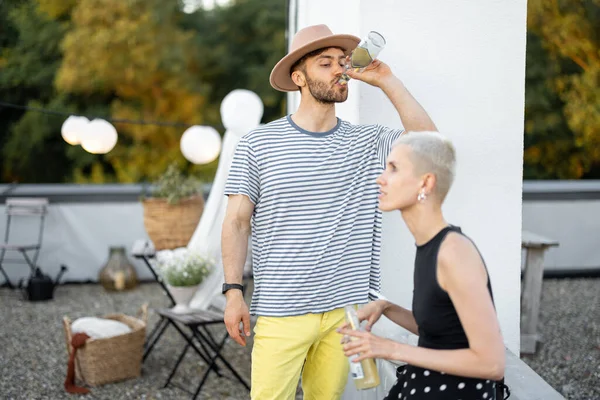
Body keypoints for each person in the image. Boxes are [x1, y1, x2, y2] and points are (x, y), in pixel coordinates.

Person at [221, 24, 437, 400]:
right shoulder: (259, 144)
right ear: (299, 77)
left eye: (342, 61)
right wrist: (233, 293)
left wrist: (387, 81)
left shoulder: (366, 142)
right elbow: (237, 222)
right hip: (281, 310)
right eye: (325, 63)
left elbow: (430, 146)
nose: (340, 69)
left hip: (345, 312)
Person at [338, 131, 506, 400]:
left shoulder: (454, 252)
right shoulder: (429, 245)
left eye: (393, 169)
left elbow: (492, 364)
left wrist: (389, 348)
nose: (380, 179)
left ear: (426, 183)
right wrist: (386, 307)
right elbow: (442, 333)